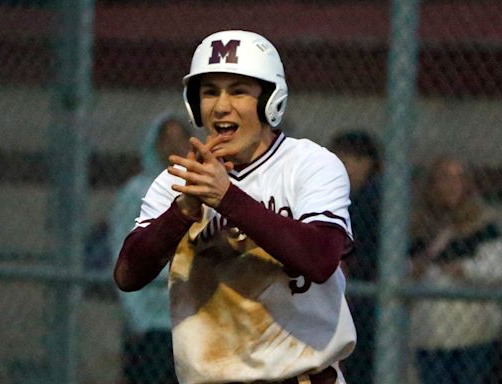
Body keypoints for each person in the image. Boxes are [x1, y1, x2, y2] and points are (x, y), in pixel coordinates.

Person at [113, 30, 356, 384]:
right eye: (209, 92)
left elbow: (319, 259)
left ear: (270, 100)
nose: (222, 105)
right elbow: (128, 275)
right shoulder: (176, 182)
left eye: (239, 90)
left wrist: (227, 198)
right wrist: (182, 210)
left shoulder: (310, 164)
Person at [109, 112, 191, 384]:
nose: (175, 147)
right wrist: (136, 318)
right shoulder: (137, 191)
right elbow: (121, 250)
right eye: (168, 140)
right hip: (150, 323)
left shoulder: (196, 192)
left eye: (181, 140)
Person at [408, 155, 502, 384]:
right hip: (429, 332)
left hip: (474, 331)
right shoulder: (418, 225)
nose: (452, 185)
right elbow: (400, 266)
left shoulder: (483, 224)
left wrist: (464, 268)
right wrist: (415, 267)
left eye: (459, 178)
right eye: (444, 178)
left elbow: (495, 268)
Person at [328, 130, 382, 384]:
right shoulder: (334, 196)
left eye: (355, 159)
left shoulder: (372, 198)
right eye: (340, 158)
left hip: (366, 296)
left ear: (369, 164)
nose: (347, 166)